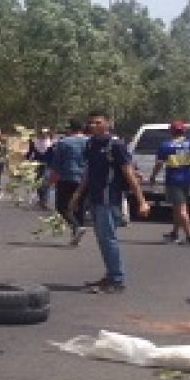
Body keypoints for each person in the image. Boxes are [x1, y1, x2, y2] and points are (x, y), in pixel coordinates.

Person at [68, 111, 151, 294]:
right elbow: (88, 172)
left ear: (108, 124)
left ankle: (116, 279)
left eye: (98, 122)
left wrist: (142, 201)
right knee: (102, 240)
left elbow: (128, 173)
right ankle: (110, 275)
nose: (93, 126)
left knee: (108, 239)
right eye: (90, 123)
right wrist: (78, 195)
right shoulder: (91, 144)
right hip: (95, 197)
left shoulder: (116, 146)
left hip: (109, 198)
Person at [148, 120, 190, 247]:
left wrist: (153, 176)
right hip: (188, 178)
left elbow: (159, 163)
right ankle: (174, 233)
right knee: (178, 206)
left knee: (181, 209)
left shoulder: (166, 145)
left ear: (171, 131)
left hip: (173, 179)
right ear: (184, 131)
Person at [48, 119, 88, 245]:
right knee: (79, 206)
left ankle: (76, 227)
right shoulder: (89, 142)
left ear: (70, 129)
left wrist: (52, 180)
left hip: (67, 177)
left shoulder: (64, 142)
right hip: (84, 179)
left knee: (62, 206)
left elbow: (57, 163)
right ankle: (77, 233)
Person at [27, 127, 54, 209]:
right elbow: (30, 152)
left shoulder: (52, 143)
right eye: (42, 133)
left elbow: (54, 154)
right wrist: (27, 160)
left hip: (48, 164)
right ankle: (41, 199)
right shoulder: (34, 142)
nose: (44, 135)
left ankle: (44, 201)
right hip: (37, 164)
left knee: (46, 182)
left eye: (46, 133)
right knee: (38, 182)